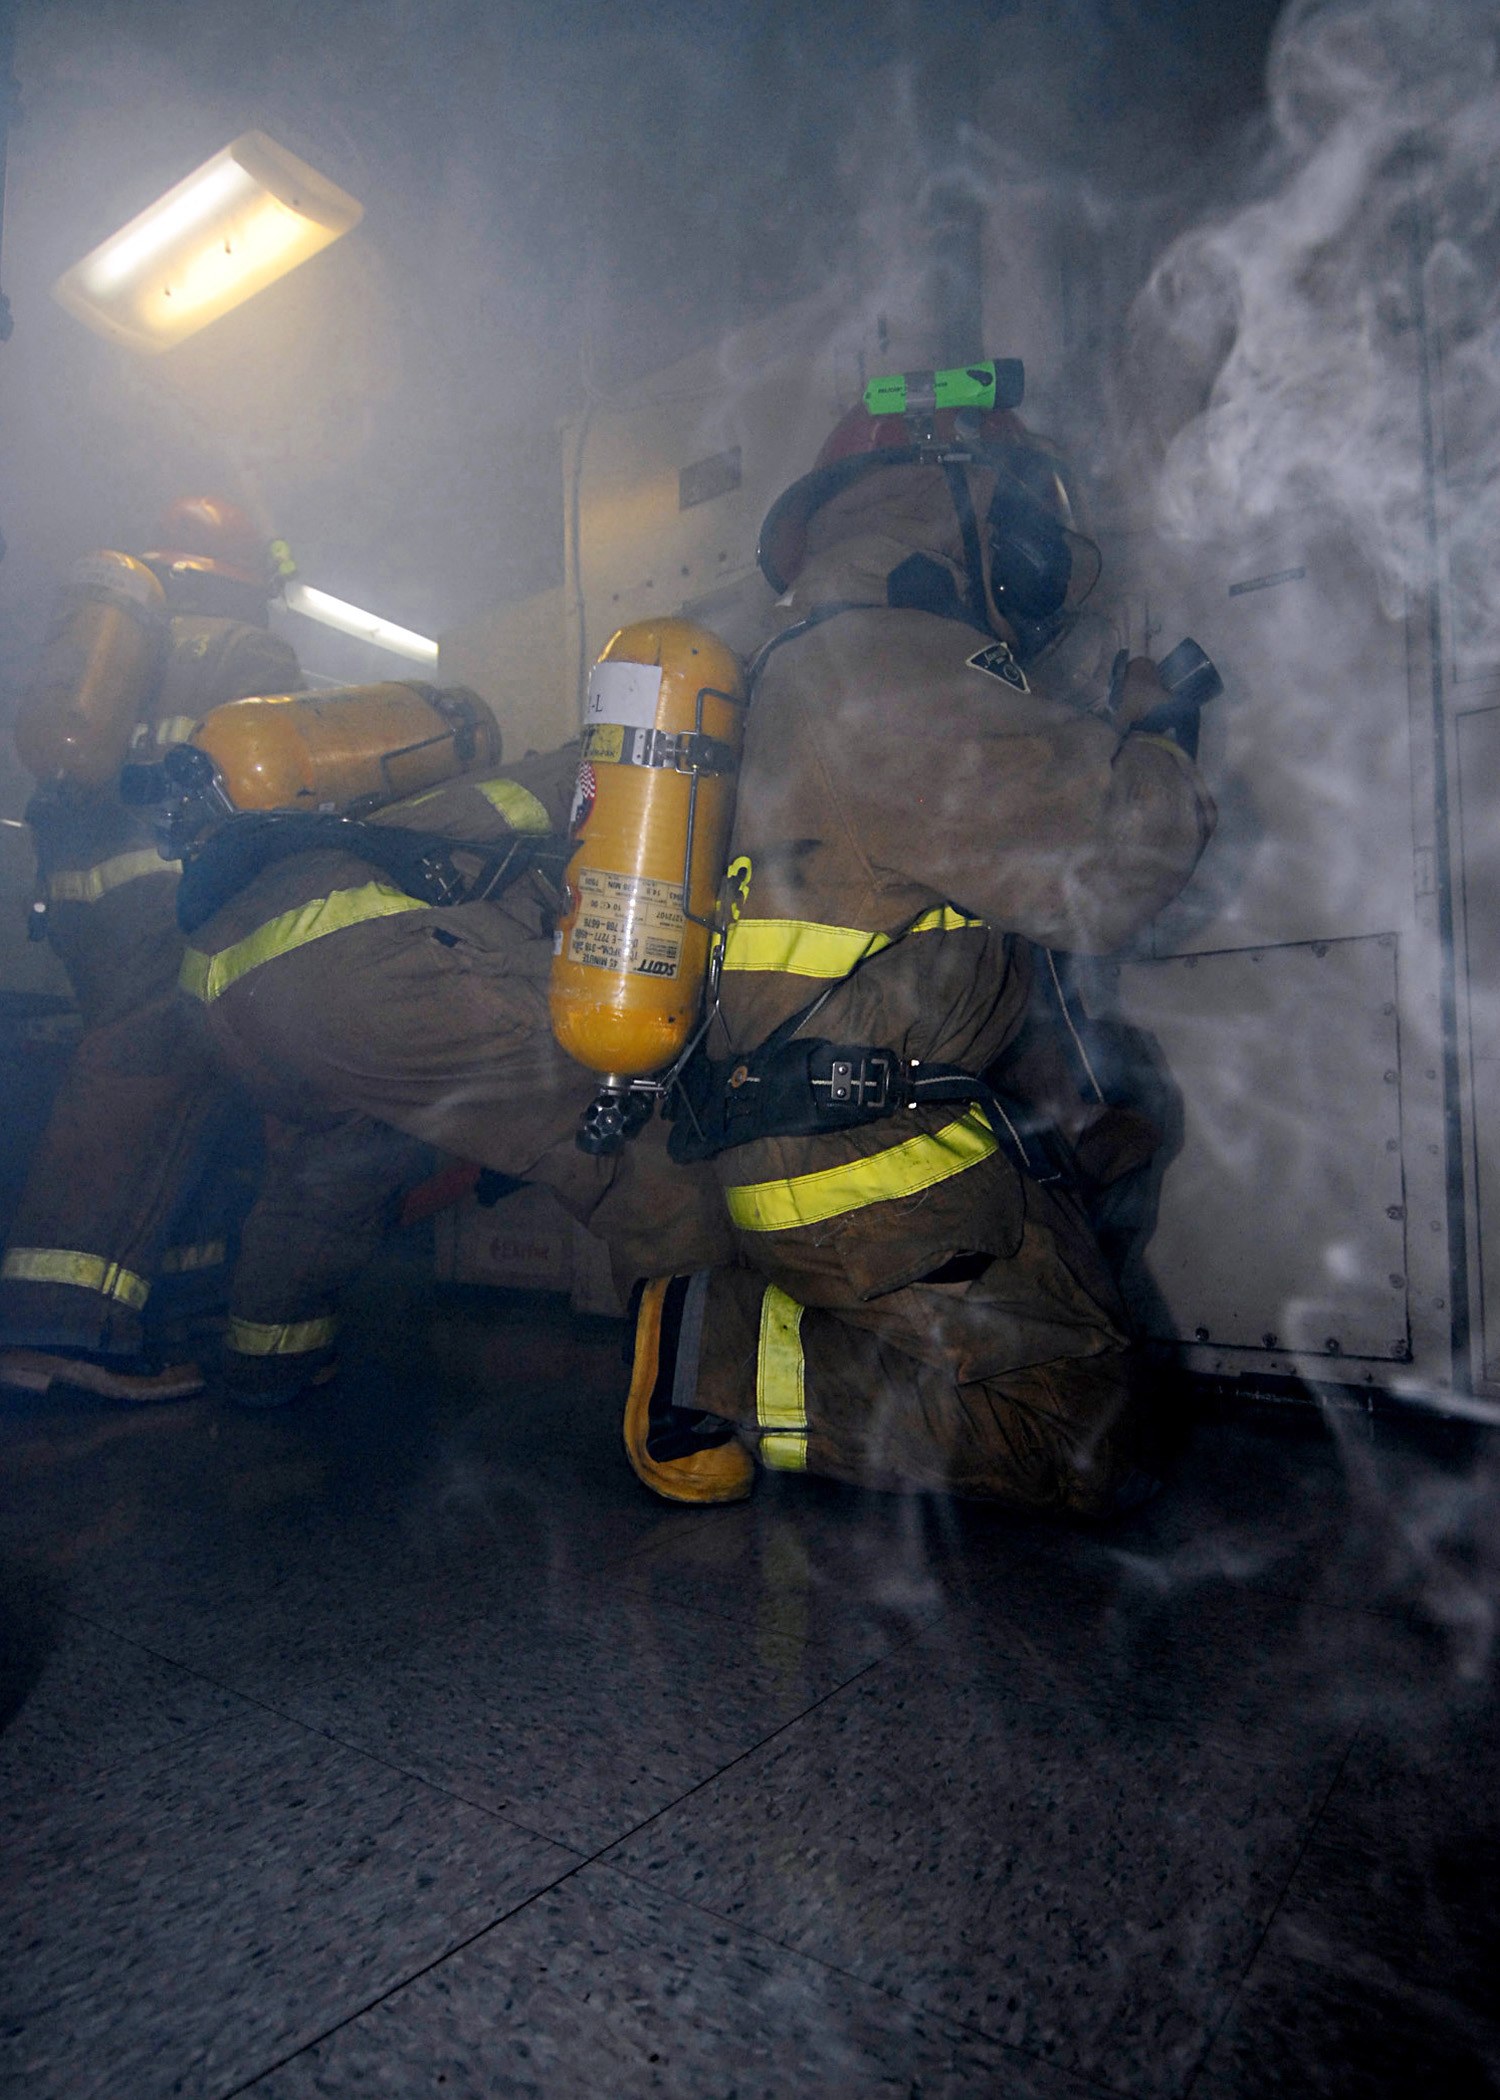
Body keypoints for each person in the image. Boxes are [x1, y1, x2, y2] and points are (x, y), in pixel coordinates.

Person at [619, 397, 1216, 1513]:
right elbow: (1114, 865)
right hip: (868, 1159)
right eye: (1027, 524)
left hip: (823, 1129)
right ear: (971, 512)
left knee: (1121, 1117)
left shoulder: (799, 662)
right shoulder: (893, 664)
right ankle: (722, 1355)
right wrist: (1158, 735)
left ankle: (782, 1326)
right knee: (1075, 1432)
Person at [0, 498, 301, 1400]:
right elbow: (271, 787)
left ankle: (161, 1298)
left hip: (86, 904)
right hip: (175, 895)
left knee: (171, 1087)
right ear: (246, 578)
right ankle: (60, 1329)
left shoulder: (118, 656)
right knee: (136, 1087)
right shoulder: (249, 652)